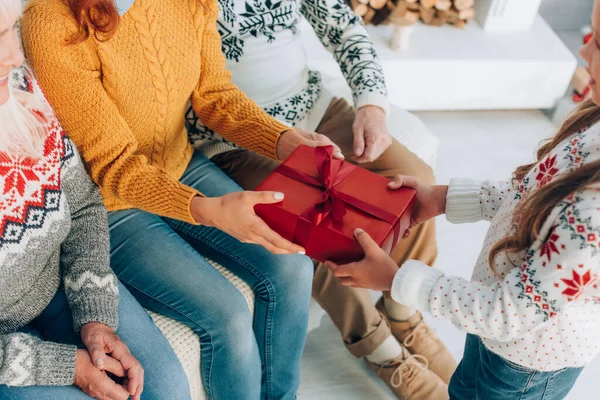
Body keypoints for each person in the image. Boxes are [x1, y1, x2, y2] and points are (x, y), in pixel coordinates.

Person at [19, 0, 322, 397]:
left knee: (294, 267)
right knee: (225, 314)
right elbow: (113, 165)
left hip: (181, 164)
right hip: (111, 202)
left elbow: (215, 95)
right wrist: (207, 210)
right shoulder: (51, 21)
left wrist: (282, 141)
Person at [326, 2, 600, 397]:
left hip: (527, 361)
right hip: (497, 332)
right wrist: (441, 198)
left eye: (599, 43)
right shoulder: (593, 124)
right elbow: (532, 196)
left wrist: (395, 279)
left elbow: (507, 313)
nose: (584, 50)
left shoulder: (593, 216)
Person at [185, 0, 454, 396]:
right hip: (234, 137)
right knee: (313, 228)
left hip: (315, 108)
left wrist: (373, 105)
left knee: (416, 183)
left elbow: (342, 26)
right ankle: (383, 353)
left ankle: (403, 313)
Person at [0, 1, 191, 399]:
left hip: (53, 288)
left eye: (10, 30)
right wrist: (64, 365)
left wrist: (96, 319)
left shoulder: (20, 86)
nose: (17, 55)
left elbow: (84, 205)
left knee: (167, 385)